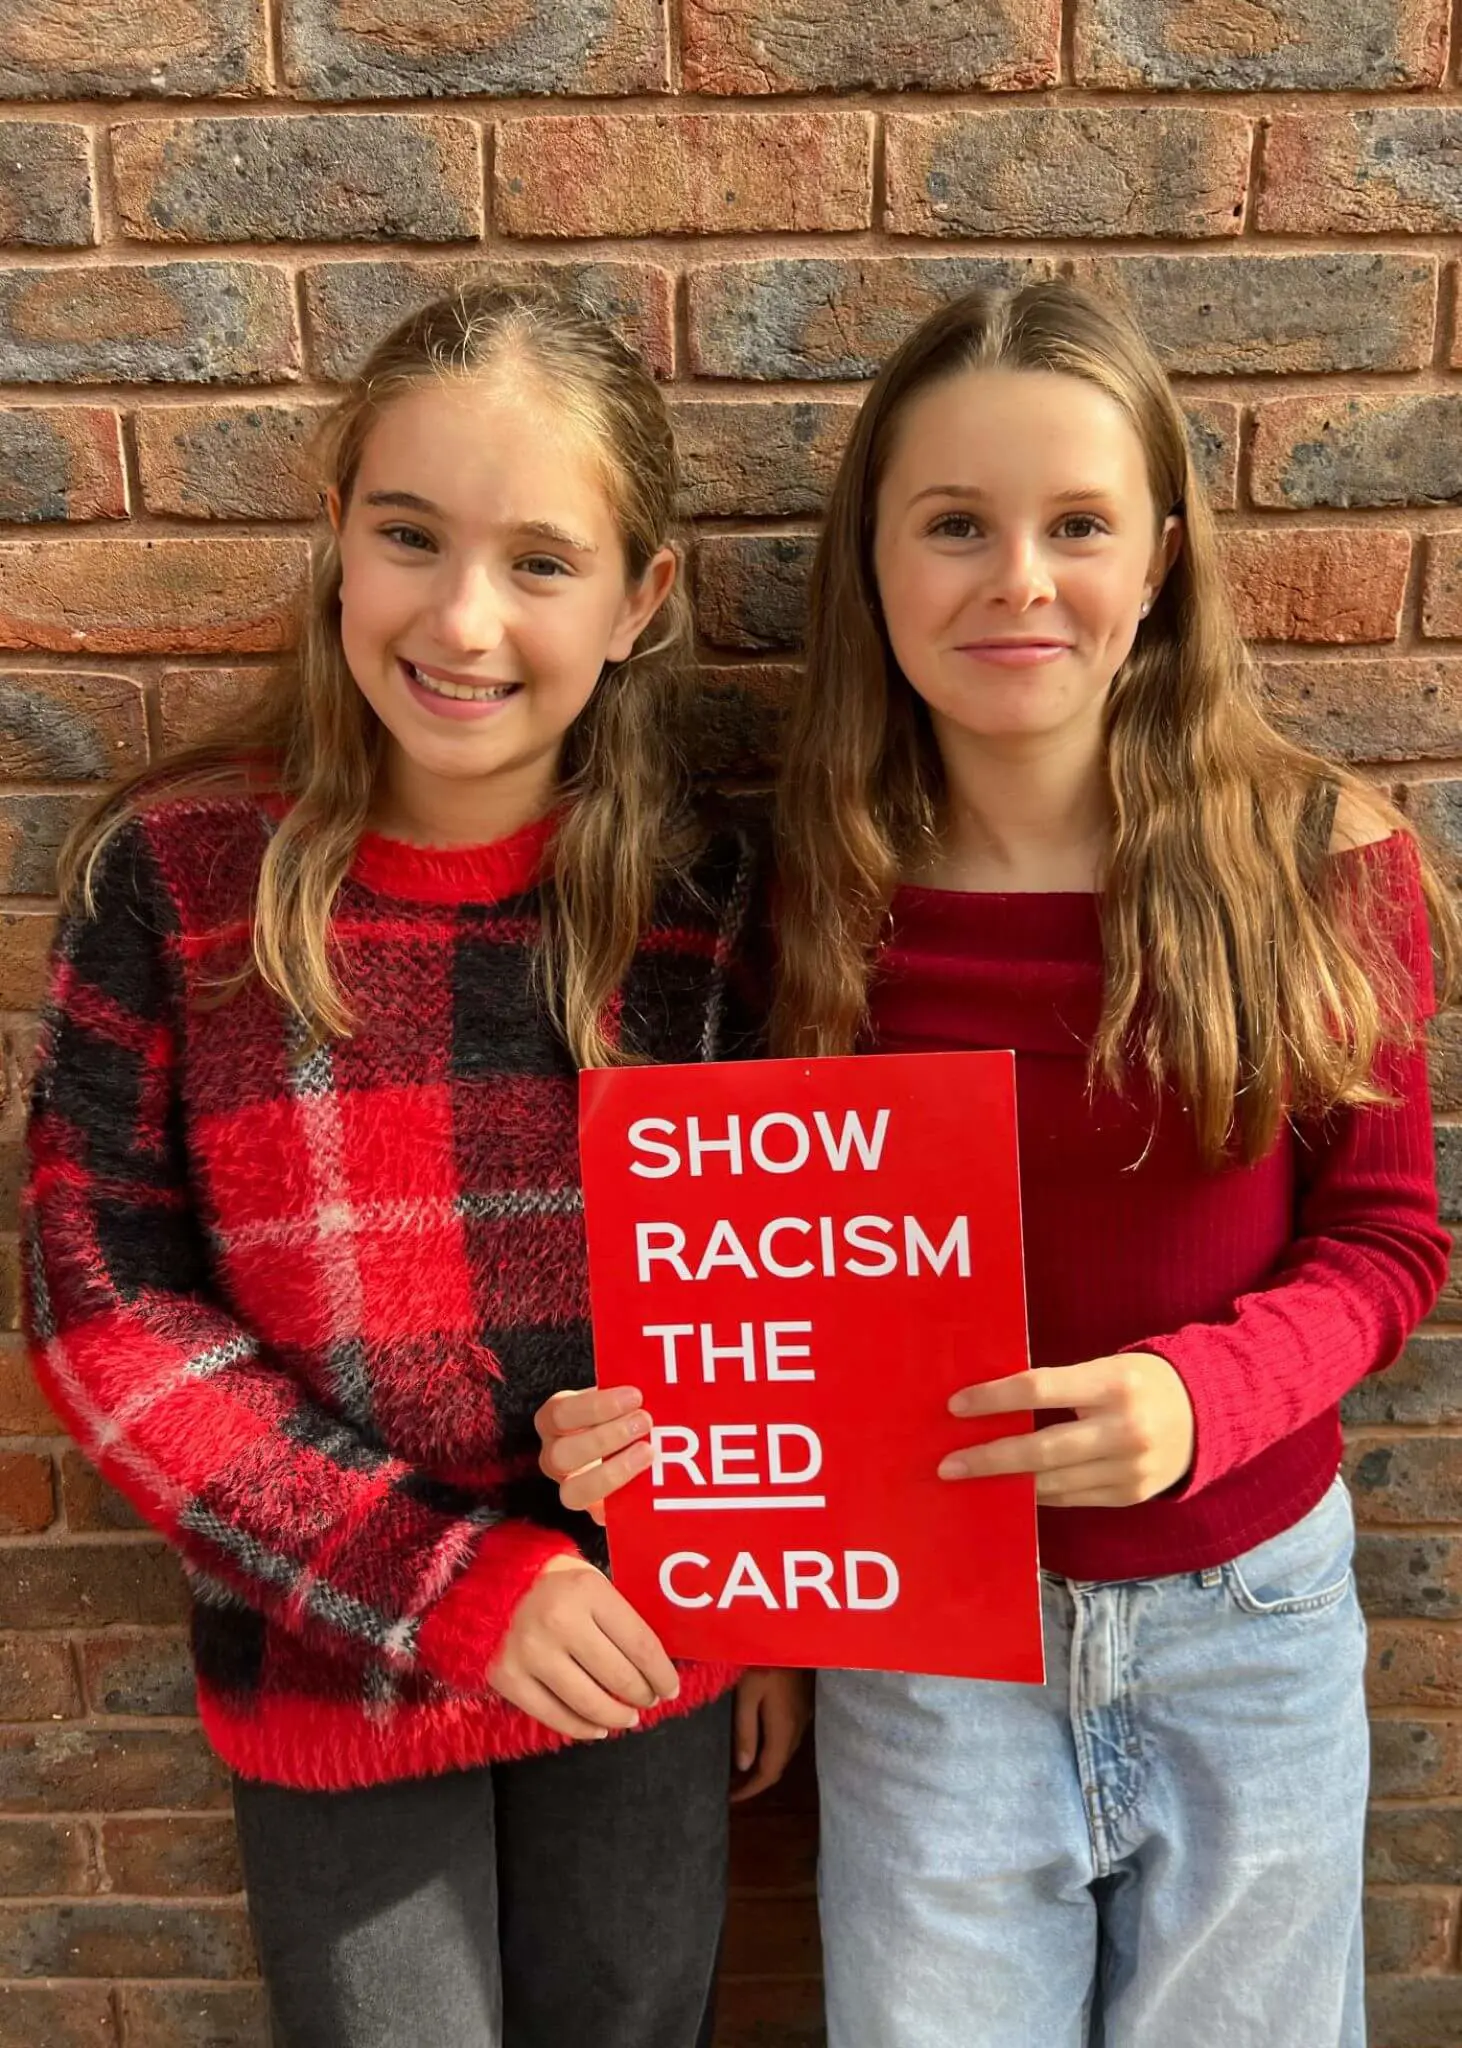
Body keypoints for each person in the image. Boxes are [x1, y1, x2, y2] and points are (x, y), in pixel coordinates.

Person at [536, 279, 1455, 2047]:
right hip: (922, 1642)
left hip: (1246, 1621)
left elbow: (1387, 1237)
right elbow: (755, 1276)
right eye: (954, 524)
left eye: (1078, 524)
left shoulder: (1316, 854)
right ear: (870, 565)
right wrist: (700, 1497)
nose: (1018, 578)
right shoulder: (801, 898)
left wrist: (1201, 1397)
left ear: (1163, 558)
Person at [22, 283, 807, 2048]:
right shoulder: (174, 877)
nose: (462, 618)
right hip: (332, 1652)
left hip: (647, 1646)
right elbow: (107, 1314)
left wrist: (785, 1590)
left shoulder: (710, 901)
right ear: (336, 540)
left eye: (541, 561)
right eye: (409, 538)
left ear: (642, 600)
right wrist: (443, 1581)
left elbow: (786, 1298)